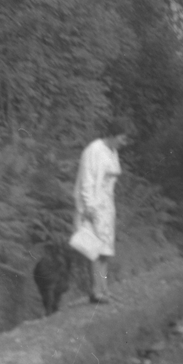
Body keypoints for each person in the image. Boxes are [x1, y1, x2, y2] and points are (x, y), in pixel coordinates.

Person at [70, 122, 133, 303]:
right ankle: (96, 291)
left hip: (106, 205)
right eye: (122, 138)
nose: (124, 143)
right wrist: (88, 207)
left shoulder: (112, 152)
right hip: (93, 205)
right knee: (95, 248)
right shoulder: (94, 150)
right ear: (113, 134)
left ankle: (104, 288)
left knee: (105, 249)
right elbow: (86, 180)